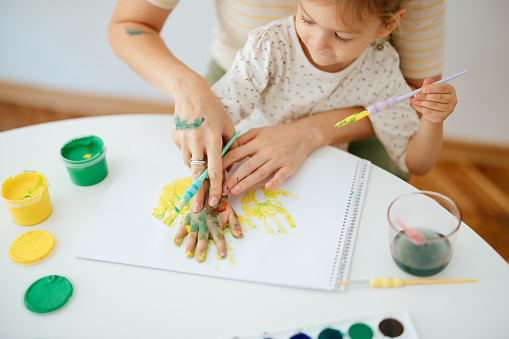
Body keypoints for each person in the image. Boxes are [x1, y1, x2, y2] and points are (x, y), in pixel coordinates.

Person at [108, 0, 454, 261]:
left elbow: (416, 163)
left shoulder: (381, 72)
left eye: (342, 35)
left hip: (327, 167)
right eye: (306, 18)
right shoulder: (269, 46)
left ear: (388, 25)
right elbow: (214, 128)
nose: (318, 44)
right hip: (246, 157)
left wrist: (432, 121)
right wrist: (211, 198)